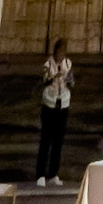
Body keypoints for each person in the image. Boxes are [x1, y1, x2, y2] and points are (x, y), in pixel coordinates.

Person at [35, 37, 72, 186]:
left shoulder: (68, 64)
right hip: (49, 104)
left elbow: (72, 81)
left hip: (63, 104)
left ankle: (53, 173)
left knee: (58, 141)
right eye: (59, 51)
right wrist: (54, 76)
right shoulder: (47, 64)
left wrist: (68, 79)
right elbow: (44, 80)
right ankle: (40, 175)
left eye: (64, 52)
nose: (61, 55)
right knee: (46, 140)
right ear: (55, 51)